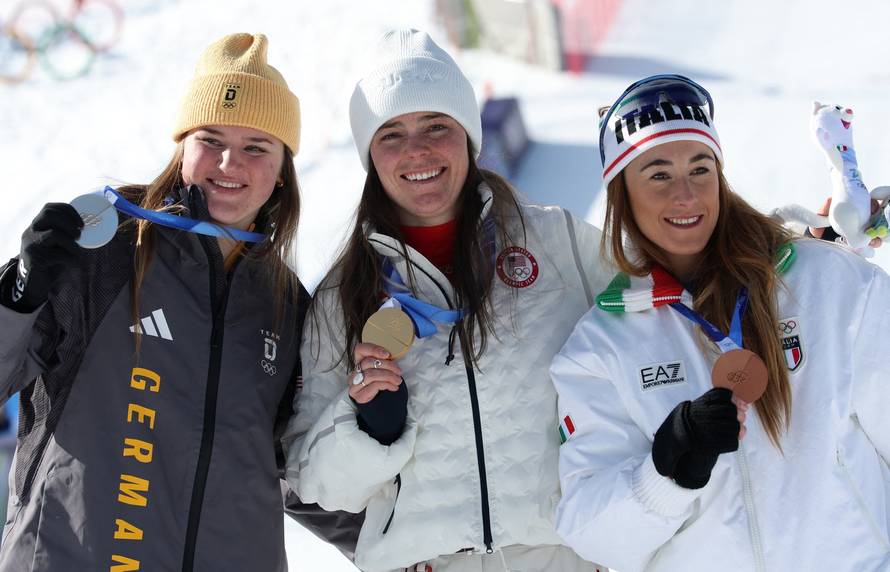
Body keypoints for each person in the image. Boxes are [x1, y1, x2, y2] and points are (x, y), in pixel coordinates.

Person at [0, 33, 357, 571]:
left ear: (282, 169)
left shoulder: (288, 307)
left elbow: (309, 470)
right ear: (183, 145)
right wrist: (19, 295)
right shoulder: (103, 252)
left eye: (257, 146)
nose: (230, 162)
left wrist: (412, 549)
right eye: (211, 138)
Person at [284, 29, 610, 572]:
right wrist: (371, 428)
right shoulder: (346, 294)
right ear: (370, 155)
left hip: (563, 556)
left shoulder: (558, 244)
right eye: (391, 134)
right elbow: (315, 482)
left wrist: (792, 241)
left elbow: (674, 276)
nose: (418, 150)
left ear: (469, 136)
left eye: (437, 125)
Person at [551, 74, 890, 571]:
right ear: (622, 194)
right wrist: (664, 474)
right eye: (658, 174)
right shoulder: (602, 346)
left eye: (700, 168)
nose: (686, 196)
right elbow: (595, 539)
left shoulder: (829, 282)